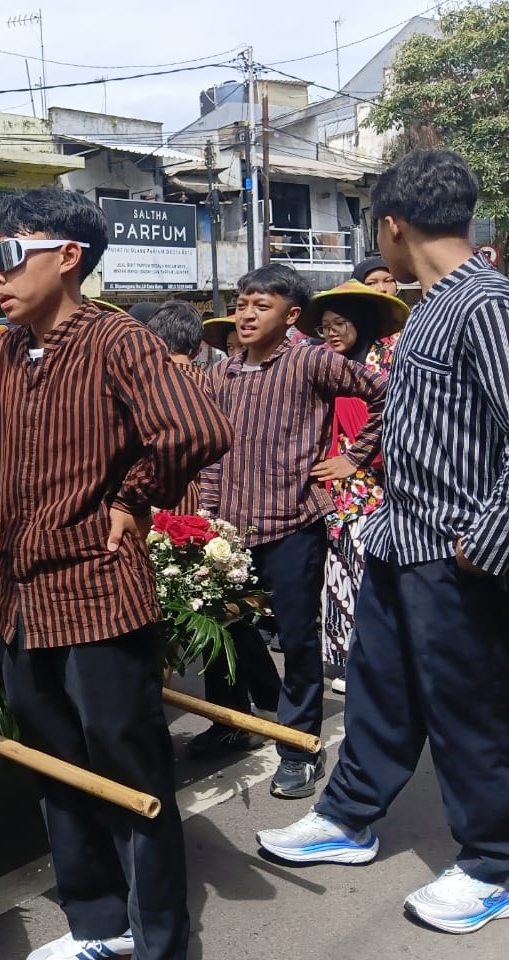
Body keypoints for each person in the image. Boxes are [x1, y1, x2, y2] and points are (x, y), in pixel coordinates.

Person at [0, 189, 232, 960]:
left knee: (129, 767)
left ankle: (162, 938)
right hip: (23, 601)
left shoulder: (116, 341)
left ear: (69, 257)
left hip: (101, 596)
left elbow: (197, 428)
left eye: (9, 254)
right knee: (56, 769)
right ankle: (99, 923)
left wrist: (132, 499)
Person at [258, 149, 509, 936]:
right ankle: (349, 818)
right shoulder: (428, 304)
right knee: (379, 693)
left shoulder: (485, 303)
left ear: (391, 225)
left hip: (457, 551)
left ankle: (494, 864)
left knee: (469, 712)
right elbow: (411, 422)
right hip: (400, 540)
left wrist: (489, 538)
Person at [198, 263, 387, 799]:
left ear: (292, 315)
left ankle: (298, 745)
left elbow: (384, 394)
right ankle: (229, 723)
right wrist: (210, 517)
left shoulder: (311, 361)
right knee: (222, 630)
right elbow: (212, 454)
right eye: (242, 302)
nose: (247, 313)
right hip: (230, 531)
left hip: (294, 525)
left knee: (298, 637)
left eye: (262, 305)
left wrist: (354, 457)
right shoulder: (222, 373)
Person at [147, 301, 282, 759]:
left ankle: (232, 721)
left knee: (201, 626)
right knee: (226, 619)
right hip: (218, 516)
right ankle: (266, 703)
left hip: (170, 517)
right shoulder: (216, 382)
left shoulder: (153, 387)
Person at [296, 282, 408, 689]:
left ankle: (377, 655)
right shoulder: (323, 366)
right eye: (325, 326)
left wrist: (356, 457)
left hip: (380, 488)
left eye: (339, 324)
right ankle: (347, 658)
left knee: (370, 574)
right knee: (341, 572)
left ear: (358, 323)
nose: (331, 333)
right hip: (334, 490)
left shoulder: (385, 367)